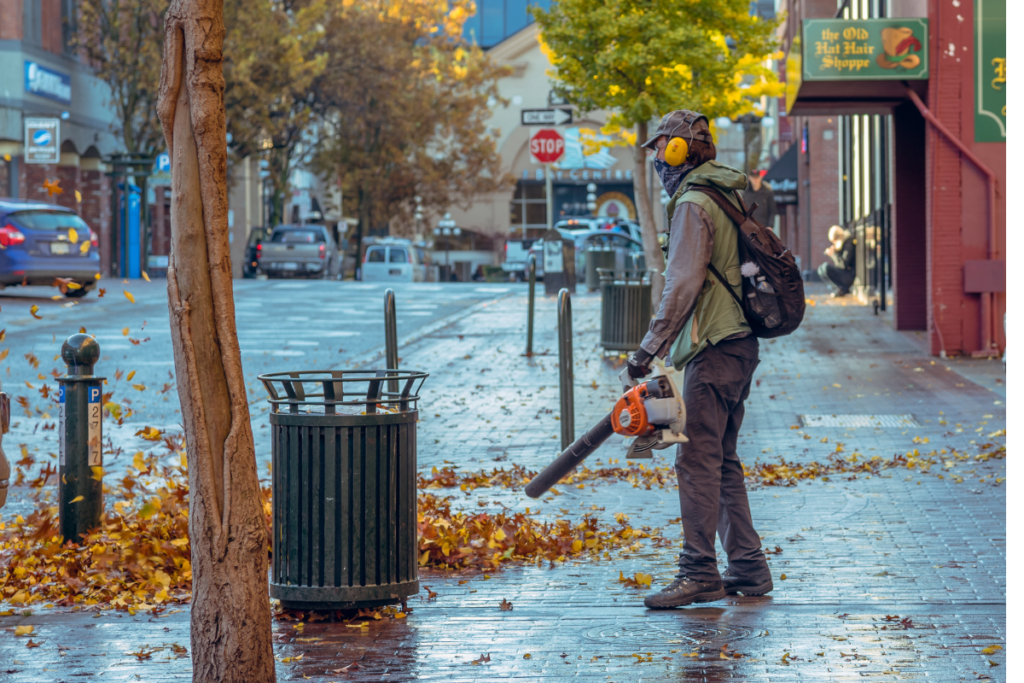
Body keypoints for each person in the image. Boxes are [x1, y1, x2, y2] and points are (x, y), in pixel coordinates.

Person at [627, 110, 772, 609]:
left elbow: (683, 282)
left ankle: (698, 573)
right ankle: (749, 567)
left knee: (695, 461)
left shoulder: (693, 202)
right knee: (721, 458)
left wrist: (649, 347)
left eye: (660, 150)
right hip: (739, 345)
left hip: (716, 347)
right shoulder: (723, 192)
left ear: (676, 150)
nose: (656, 163)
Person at [818, 225, 856, 297]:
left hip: (850, 275)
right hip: (846, 273)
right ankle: (839, 289)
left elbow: (843, 264)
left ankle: (843, 288)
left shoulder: (848, 243)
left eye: (834, 241)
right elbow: (839, 264)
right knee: (820, 269)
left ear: (838, 237)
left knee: (825, 267)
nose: (834, 243)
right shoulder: (843, 244)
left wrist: (833, 254)